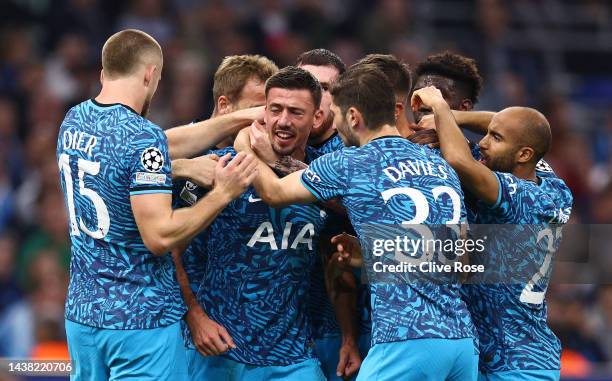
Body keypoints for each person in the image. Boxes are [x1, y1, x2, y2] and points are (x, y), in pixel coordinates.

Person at [235, 64, 478, 381]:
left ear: (352, 117)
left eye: (335, 113)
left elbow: (274, 192)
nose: (334, 123)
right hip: (461, 342)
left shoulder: (350, 162)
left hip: (406, 340)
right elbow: (462, 263)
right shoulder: (439, 163)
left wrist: (246, 148)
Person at [56, 29, 257, 381]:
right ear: (150, 74)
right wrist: (225, 192)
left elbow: (138, 156)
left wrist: (240, 117)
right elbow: (160, 236)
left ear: (105, 73)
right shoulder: (141, 137)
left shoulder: (74, 120)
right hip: (139, 322)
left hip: (83, 317)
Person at [177, 66, 330, 381]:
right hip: (221, 353)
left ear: (316, 119)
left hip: (293, 359)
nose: (283, 121)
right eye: (275, 110)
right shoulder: (221, 167)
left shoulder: (326, 175)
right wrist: (194, 316)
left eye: (295, 112)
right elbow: (170, 247)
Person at [411, 86, 573, 381]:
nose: (483, 143)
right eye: (489, 134)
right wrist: (456, 117)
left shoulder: (519, 197)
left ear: (524, 154)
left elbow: (460, 161)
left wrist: (440, 108)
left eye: (495, 139)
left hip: (515, 362)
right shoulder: (552, 184)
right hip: (513, 354)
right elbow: (508, 122)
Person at [170, 54, 279, 378]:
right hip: (191, 336)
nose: (267, 119)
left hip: (261, 345)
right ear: (226, 104)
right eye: (259, 107)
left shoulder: (267, 156)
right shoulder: (179, 152)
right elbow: (163, 246)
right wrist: (194, 316)